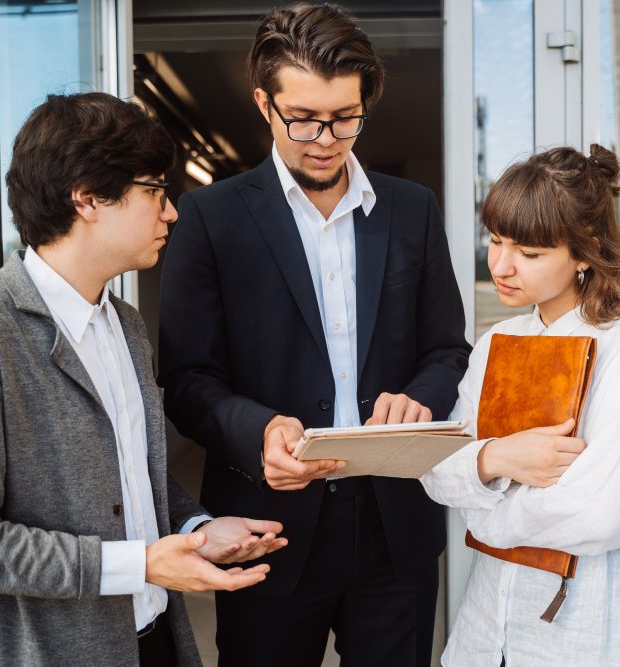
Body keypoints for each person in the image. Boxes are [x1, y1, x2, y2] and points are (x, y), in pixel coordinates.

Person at [0, 92, 288, 667]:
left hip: (156, 638)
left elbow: (132, 476)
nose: (171, 211)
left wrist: (197, 528)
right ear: (87, 199)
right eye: (153, 190)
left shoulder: (125, 325)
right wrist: (141, 564)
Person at [157, 4, 480, 665]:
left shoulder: (412, 210)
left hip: (397, 527)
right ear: (263, 104)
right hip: (266, 526)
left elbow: (448, 348)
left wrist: (418, 396)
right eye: (302, 117)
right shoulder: (209, 217)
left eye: (344, 117)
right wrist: (258, 431)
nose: (325, 138)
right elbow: (186, 380)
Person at [421, 145, 620, 665]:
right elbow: (437, 471)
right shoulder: (497, 341)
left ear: (585, 251)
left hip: (598, 626)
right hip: (488, 624)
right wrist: (497, 458)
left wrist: (486, 520)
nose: (500, 265)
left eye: (530, 252)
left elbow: (603, 513)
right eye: (495, 240)